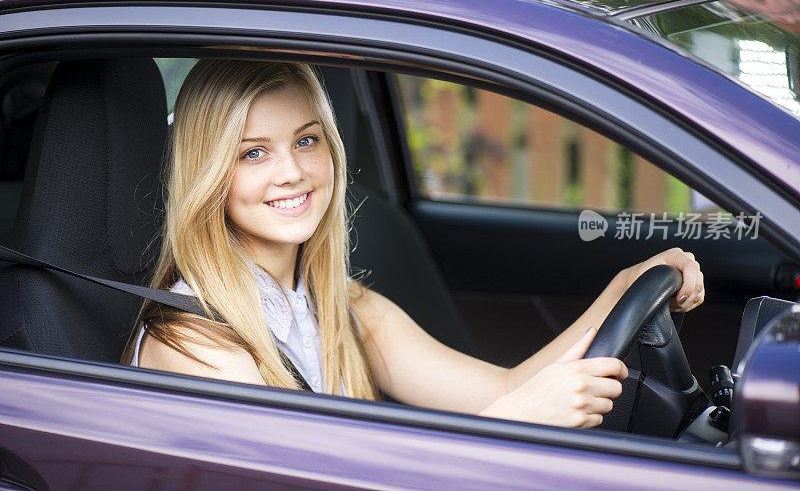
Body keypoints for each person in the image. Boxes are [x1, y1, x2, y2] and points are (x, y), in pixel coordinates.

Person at [122, 59, 705, 428]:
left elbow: (500, 389)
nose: (292, 172)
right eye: (254, 152)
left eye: (306, 141)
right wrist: (516, 421)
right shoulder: (197, 342)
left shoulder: (344, 306)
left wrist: (624, 290)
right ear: (209, 173)